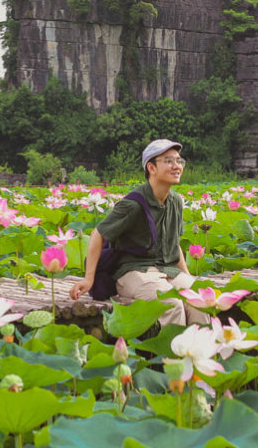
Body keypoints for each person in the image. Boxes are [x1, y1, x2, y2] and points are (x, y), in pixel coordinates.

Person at [69, 139, 208, 327]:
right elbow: (98, 233)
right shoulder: (133, 204)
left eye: (179, 161)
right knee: (172, 304)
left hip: (167, 270)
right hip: (134, 272)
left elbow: (173, 244)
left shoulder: (175, 201)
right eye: (169, 161)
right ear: (151, 168)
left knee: (201, 300)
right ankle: (174, 355)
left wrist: (188, 276)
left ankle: (199, 352)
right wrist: (89, 279)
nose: (177, 166)